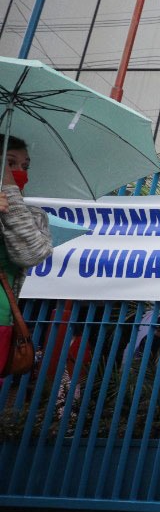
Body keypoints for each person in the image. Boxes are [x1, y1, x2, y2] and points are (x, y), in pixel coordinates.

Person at [0, 136, 53, 370]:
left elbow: (31, 253)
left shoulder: (33, 215)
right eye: (9, 163)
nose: (19, 172)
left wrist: (10, 197)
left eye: (24, 166)